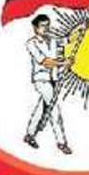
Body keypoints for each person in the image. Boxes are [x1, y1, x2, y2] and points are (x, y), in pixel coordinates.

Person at [23, 13, 73, 154]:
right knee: (54, 109)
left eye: (47, 25)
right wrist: (63, 63)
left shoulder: (52, 40)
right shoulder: (31, 43)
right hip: (42, 79)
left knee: (42, 108)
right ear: (35, 28)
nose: (46, 28)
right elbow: (45, 62)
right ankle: (61, 142)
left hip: (54, 78)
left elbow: (68, 39)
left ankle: (29, 134)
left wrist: (82, 29)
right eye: (43, 26)